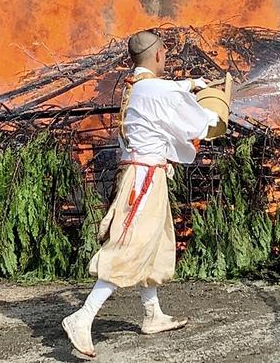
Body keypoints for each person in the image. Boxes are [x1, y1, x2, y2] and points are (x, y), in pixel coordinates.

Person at [62, 30, 219, 358]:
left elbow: (162, 99)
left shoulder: (134, 88)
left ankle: (152, 314)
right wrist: (217, 114)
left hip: (145, 172)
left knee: (155, 242)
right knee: (130, 243)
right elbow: (197, 123)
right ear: (160, 54)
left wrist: (191, 84)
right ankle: (82, 316)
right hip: (145, 179)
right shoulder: (155, 90)